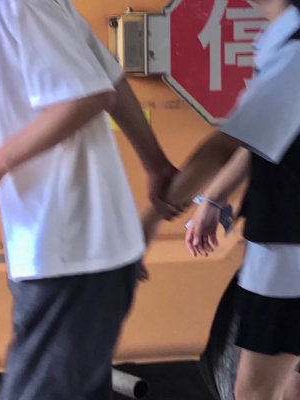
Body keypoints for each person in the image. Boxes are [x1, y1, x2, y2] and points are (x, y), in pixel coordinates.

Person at [0, 1, 182, 399]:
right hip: (71, 249)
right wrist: (155, 164)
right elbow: (108, 78)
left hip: (68, 249)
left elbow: (88, 95)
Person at [143, 1, 300, 399]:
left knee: (254, 392)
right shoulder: (282, 42)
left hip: (287, 253)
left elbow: (227, 145)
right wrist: (214, 199)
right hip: (283, 244)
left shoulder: (294, 51)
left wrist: (146, 224)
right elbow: (264, 137)